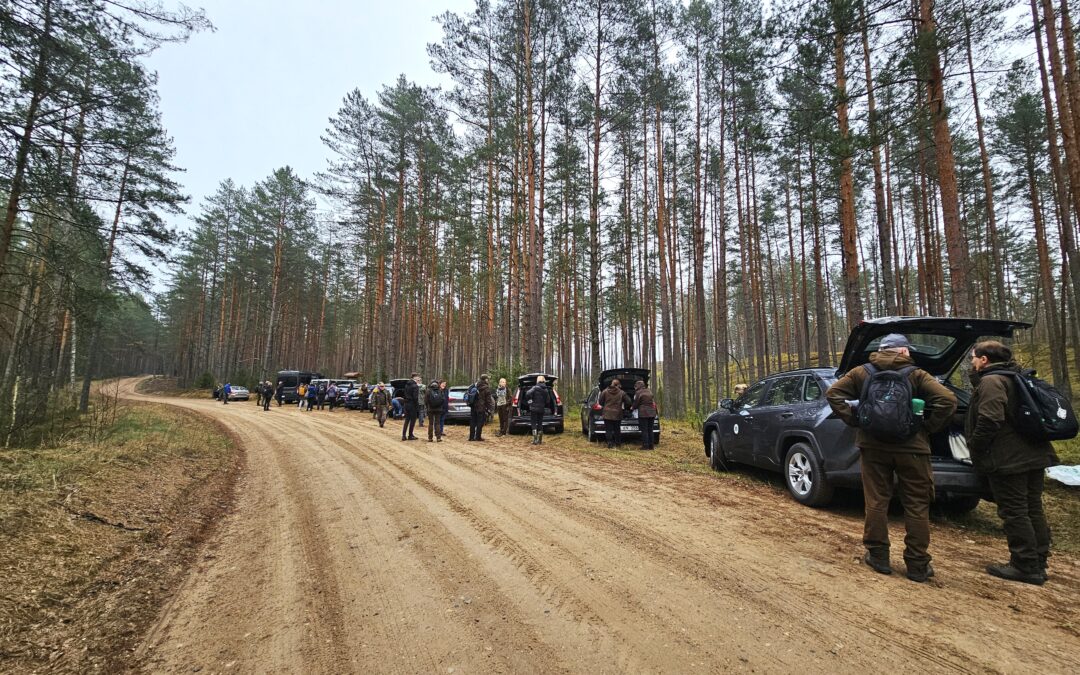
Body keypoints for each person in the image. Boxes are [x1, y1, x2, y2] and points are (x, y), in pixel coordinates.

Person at [825, 333, 957, 582]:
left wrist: (855, 420)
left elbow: (833, 394)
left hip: (872, 446)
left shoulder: (861, 372)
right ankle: (917, 564)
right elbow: (947, 400)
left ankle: (878, 556)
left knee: (876, 501)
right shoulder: (916, 374)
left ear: (882, 350)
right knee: (916, 505)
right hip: (912, 448)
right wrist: (927, 427)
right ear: (904, 352)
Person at [966, 341, 1059, 585]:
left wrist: (975, 446)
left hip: (1008, 458)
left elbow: (990, 419)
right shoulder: (1015, 377)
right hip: (1033, 453)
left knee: (1014, 510)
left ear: (984, 359)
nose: (972, 362)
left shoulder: (992, 382)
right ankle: (1038, 560)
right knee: (1032, 507)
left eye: (973, 358)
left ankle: (1025, 565)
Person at [598, 378, 631, 448]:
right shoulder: (622, 392)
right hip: (617, 413)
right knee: (617, 429)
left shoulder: (605, 391)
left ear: (611, 384)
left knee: (608, 429)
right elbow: (629, 401)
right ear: (618, 385)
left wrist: (605, 406)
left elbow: (600, 402)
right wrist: (625, 408)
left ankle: (610, 443)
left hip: (607, 413)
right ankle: (618, 444)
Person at [525, 375, 555, 445]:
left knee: (533, 423)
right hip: (541, 409)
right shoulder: (546, 390)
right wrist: (543, 403)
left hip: (533, 409)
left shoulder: (535, 388)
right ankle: (540, 440)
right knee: (540, 423)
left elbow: (527, 393)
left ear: (537, 380)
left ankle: (535, 440)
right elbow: (548, 401)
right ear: (544, 381)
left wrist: (530, 401)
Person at [632, 380, 657, 450]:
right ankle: (651, 446)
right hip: (652, 412)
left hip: (643, 413)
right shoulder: (649, 391)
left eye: (636, 386)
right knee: (650, 429)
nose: (635, 388)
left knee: (644, 430)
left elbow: (636, 402)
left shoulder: (638, 393)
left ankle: (645, 446)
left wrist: (632, 407)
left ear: (638, 386)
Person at [469, 373, 495, 441]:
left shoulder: (475, 385)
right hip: (481, 407)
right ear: (486, 379)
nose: (488, 380)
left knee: (473, 422)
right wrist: (490, 409)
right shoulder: (486, 388)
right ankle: (478, 437)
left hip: (473, 406)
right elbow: (488, 400)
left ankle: (471, 437)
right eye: (488, 379)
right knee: (480, 422)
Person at [401, 373, 420, 441]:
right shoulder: (415, 386)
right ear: (415, 378)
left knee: (407, 420)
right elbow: (415, 398)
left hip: (406, 404)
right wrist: (417, 406)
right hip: (412, 405)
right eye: (418, 377)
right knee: (413, 420)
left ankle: (403, 435)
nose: (419, 379)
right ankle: (410, 435)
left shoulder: (406, 385)